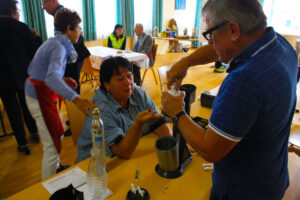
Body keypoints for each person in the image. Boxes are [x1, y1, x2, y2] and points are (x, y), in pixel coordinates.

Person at [161, 0, 298, 199]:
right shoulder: (280, 45)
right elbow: (222, 47)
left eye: (210, 35)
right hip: (272, 176)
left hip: (242, 191)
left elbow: (210, 150)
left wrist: (177, 112)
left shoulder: (245, 80)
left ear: (233, 29)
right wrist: (186, 61)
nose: (210, 43)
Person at [25, 8, 95, 180]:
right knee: (52, 145)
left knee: (58, 132)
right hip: (38, 96)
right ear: (69, 30)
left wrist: (63, 79)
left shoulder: (54, 42)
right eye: (78, 29)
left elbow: (46, 71)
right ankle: (48, 184)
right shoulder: (59, 47)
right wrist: (76, 98)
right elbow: (50, 77)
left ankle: (55, 167)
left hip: (39, 92)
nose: (80, 33)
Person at [78, 56, 171, 161]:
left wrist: (172, 144)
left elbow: (158, 123)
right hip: (97, 163)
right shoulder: (100, 109)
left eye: (129, 76)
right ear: (106, 85)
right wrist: (138, 124)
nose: (128, 83)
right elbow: (122, 151)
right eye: (120, 79)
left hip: (132, 152)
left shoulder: (138, 93)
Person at [0, 0, 42, 155]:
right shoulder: (22, 27)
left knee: (12, 110)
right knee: (27, 105)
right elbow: (35, 54)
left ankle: (23, 143)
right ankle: (35, 132)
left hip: (3, 79)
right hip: (23, 75)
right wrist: (36, 38)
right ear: (12, 10)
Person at [42, 0, 90, 95]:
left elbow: (77, 35)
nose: (43, 7)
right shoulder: (60, 13)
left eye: (44, 3)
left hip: (75, 53)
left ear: (53, 1)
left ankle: (74, 106)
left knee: (72, 85)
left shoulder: (61, 13)